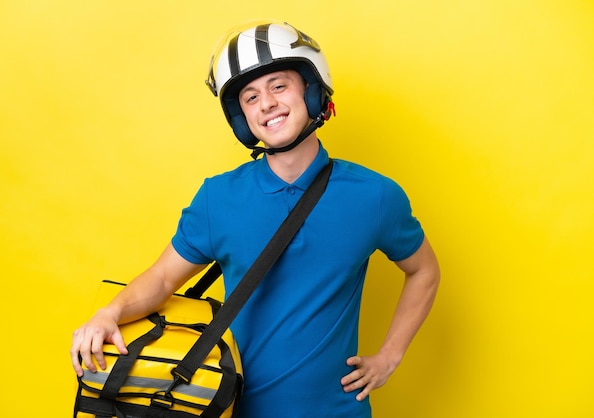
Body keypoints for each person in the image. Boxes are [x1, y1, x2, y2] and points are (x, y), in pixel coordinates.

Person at [71, 20, 440, 418]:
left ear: (312, 92)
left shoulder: (375, 196)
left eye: (278, 86)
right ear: (240, 116)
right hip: (234, 409)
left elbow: (424, 270)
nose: (266, 103)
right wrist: (109, 312)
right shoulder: (219, 197)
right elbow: (161, 279)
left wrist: (389, 356)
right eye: (250, 97)